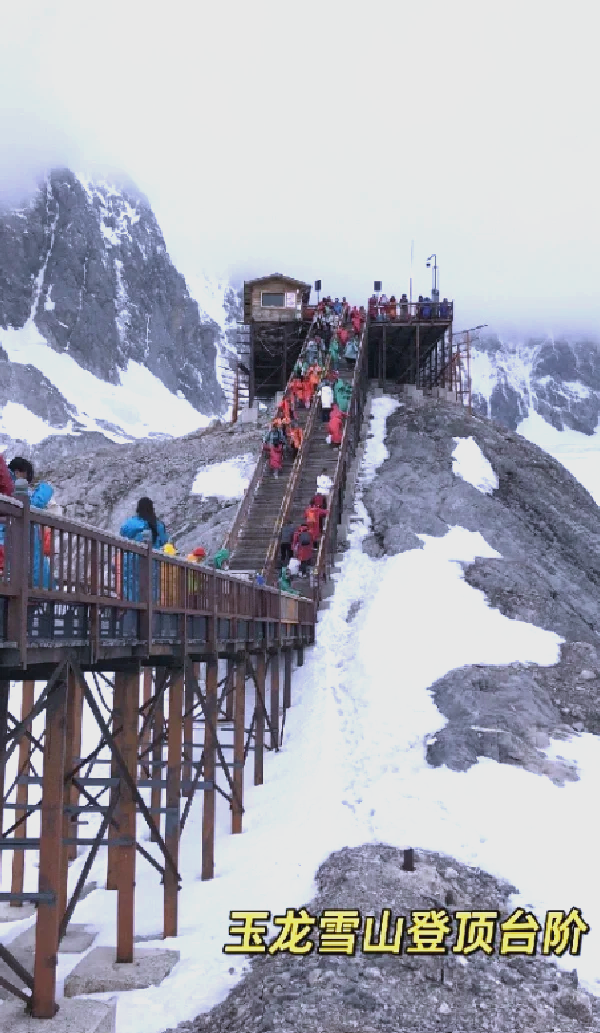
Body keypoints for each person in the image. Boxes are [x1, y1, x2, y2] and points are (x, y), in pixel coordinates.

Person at [8, 457, 54, 588]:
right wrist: (46, 489)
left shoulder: (6, 486)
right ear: (18, 472)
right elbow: (33, 504)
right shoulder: (12, 489)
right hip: (20, 553)